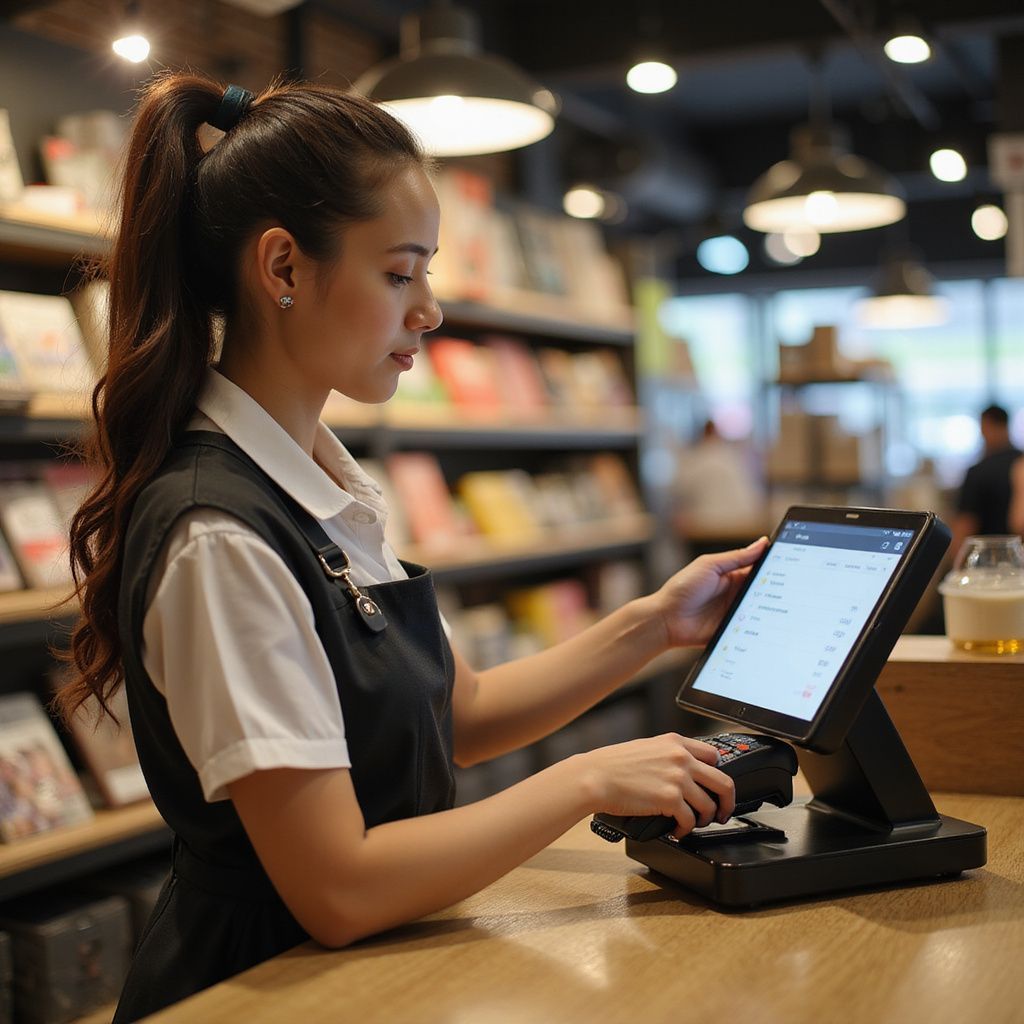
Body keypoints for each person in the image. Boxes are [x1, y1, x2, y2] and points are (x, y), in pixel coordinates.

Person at [55, 72, 767, 1023]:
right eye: (399, 273)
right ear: (283, 269)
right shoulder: (218, 537)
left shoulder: (318, 484)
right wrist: (587, 778)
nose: (428, 310)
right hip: (259, 994)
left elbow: (458, 713)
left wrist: (652, 624)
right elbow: (338, 888)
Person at [949, 404, 1021, 561]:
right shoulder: (1020, 462)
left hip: (986, 562)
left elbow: (965, 525)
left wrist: (956, 566)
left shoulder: (979, 472)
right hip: (1018, 560)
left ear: (985, 426)